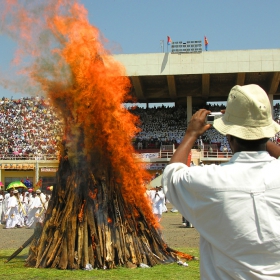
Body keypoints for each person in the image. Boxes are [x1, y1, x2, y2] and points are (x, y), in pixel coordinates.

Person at [162, 84, 280, 279]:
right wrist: (255, 128)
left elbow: (171, 174)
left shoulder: (210, 180)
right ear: (267, 132)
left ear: (229, 136)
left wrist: (191, 134)